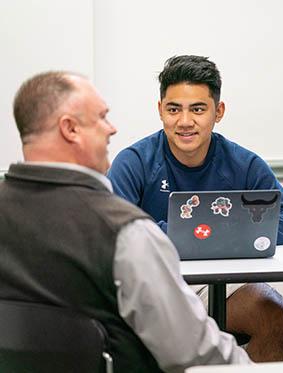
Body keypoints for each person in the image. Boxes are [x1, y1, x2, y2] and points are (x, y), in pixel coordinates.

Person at [0, 71, 251, 372]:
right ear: (71, 129)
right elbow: (194, 352)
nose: (112, 129)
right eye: (102, 117)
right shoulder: (125, 233)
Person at [108, 55, 283, 361]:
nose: (185, 121)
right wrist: (198, 234)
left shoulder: (243, 163)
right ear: (160, 110)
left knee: (274, 313)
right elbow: (113, 235)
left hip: (223, 289)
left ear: (219, 112)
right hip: (154, 291)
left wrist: (224, 232)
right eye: (174, 109)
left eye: (198, 109)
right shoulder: (134, 162)